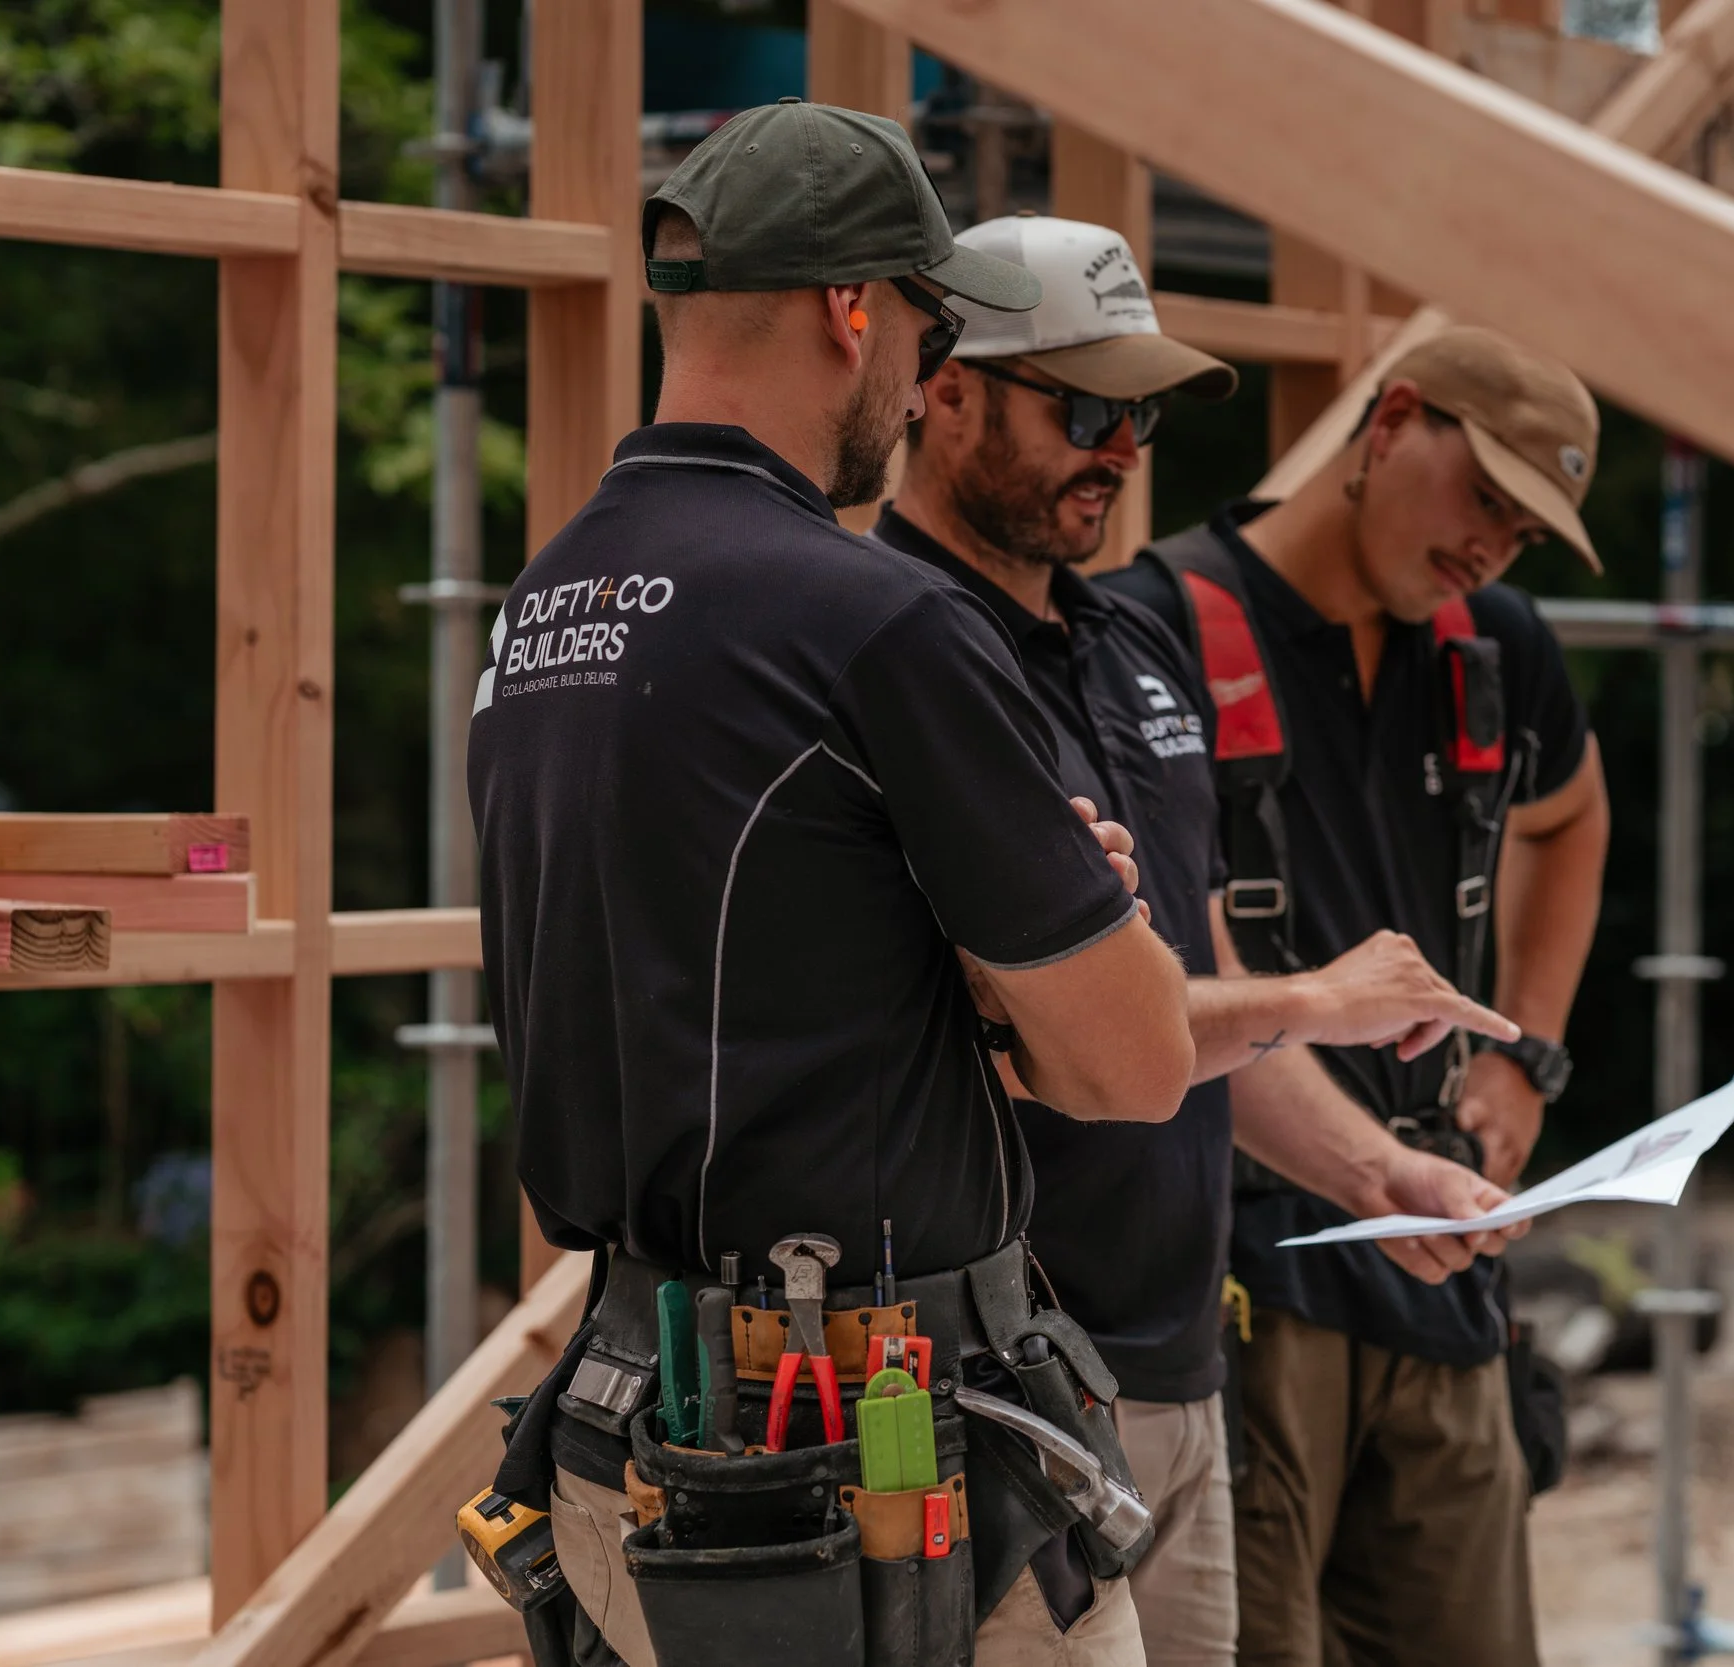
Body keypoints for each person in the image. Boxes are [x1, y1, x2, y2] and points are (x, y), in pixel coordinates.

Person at [470, 103, 1197, 1667]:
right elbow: (1137, 1066)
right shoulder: (873, 621)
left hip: (638, 1418)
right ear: (850, 308)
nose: (927, 380)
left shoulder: (543, 608)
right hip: (880, 1458)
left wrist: (972, 947)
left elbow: (751, 965)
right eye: (928, 332)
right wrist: (1072, 920)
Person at [871, 216, 1530, 1667]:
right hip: (1002, 1384)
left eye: (1142, 412)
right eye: (1085, 407)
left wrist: (1382, 1170)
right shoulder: (897, 654)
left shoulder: (1135, 649)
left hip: (1177, 1371)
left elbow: (1206, 1013)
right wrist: (1323, 994)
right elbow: (1057, 1033)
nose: (1118, 449)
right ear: (947, 384)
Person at [1104, 325, 1614, 1667]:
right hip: (1246, 1278)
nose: (1495, 545)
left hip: (1438, 1254)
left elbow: (1574, 818)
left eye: (1527, 527)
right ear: (1389, 424)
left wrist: (1525, 1060)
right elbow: (1175, 985)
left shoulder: (1492, 649)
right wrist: (1371, 1166)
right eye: (1485, 495)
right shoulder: (1153, 632)